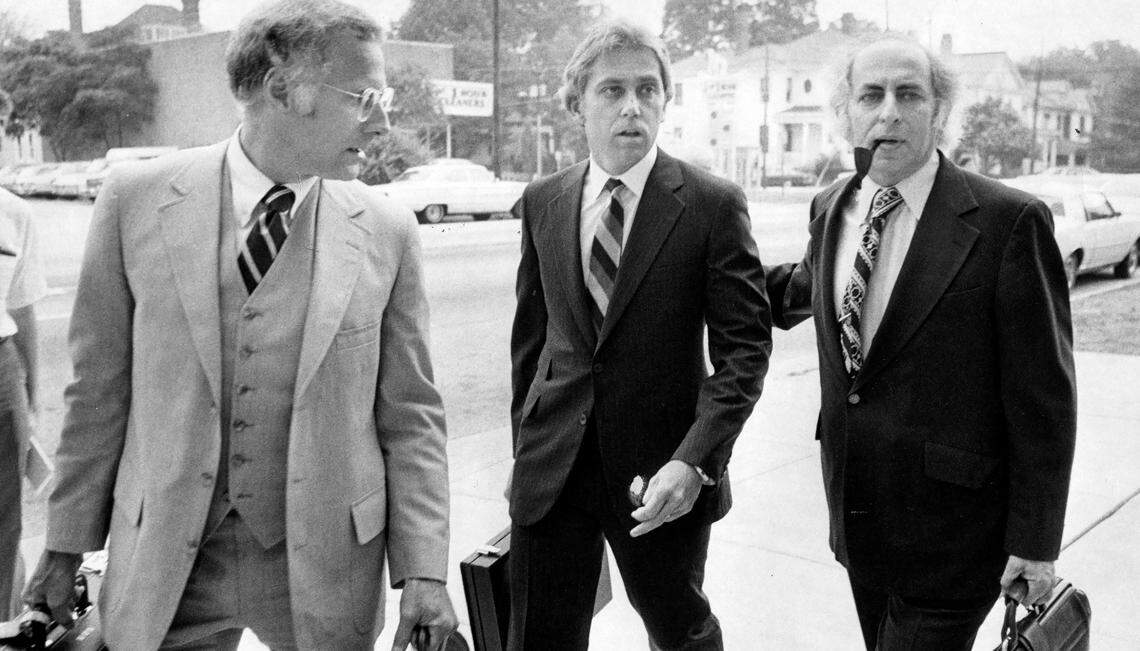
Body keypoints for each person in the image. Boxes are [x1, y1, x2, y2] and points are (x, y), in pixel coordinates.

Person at [22, 1, 457, 649]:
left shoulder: (387, 230)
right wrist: (64, 543)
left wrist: (424, 569)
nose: (384, 121)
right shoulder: (133, 200)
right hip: (169, 554)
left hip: (323, 559)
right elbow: (98, 395)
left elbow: (411, 415)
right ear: (283, 88)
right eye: (365, 96)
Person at [765, 36, 1077, 650]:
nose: (889, 112)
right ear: (846, 115)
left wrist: (1037, 543)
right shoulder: (832, 207)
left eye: (910, 94)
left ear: (939, 112)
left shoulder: (1008, 221)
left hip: (957, 539)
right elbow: (802, 291)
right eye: (871, 96)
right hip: (859, 521)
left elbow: (1045, 400)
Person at [507, 19, 771, 651]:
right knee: (539, 636)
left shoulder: (710, 203)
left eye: (647, 90)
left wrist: (695, 460)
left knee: (681, 633)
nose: (632, 106)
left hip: (662, 473)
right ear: (577, 104)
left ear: (664, 100)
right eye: (612, 90)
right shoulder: (544, 200)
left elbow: (743, 354)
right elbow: (530, 343)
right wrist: (522, 451)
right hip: (554, 468)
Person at [0, 186, 46, 620]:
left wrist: (30, 397)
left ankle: (4, 623)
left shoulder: (12, 211)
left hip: (1, 364)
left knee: (4, 521)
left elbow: (24, 310)